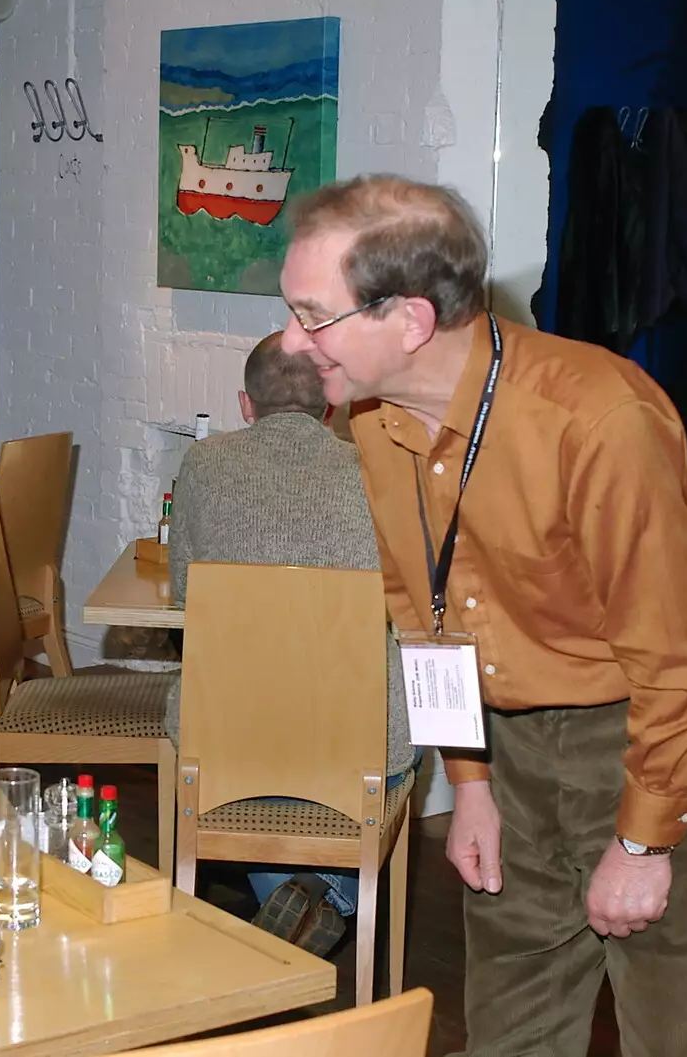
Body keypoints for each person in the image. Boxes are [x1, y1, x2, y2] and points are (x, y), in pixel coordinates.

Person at [279, 174, 687, 1052]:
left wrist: (646, 845)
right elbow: (421, 613)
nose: (290, 342)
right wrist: (468, 783)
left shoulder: (595, 422)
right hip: (510, 758)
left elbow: (680, 663)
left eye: (312, 316)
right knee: (508, 1040)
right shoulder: (376, 424)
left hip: (658, 744)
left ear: (412, 321)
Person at [166, 331, 415, 952]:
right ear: (330, 405)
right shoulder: (377, 475)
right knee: (361, 748)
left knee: (243, 759)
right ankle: (328, 885)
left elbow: (183, 591)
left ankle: (305, 892)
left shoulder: (203, 464)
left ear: (245, 405)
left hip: (228, 732)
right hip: (357, 737)